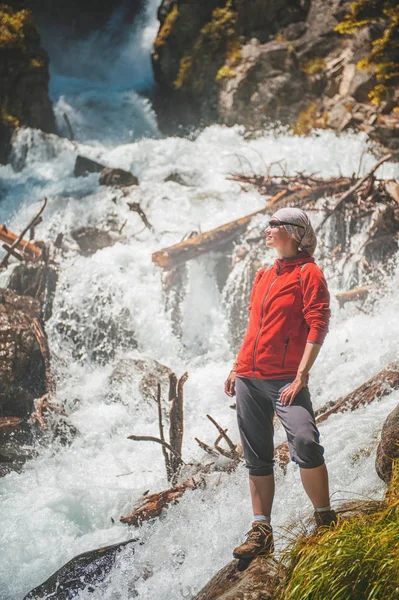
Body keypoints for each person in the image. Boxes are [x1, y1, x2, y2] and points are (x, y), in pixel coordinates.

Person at [224, 207, 337, 561]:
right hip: (248, 377)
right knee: (256, 455)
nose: (268, 229)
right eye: (269, 223)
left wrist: (301, 375)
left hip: (286, 378)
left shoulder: (309, 273)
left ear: (293, 233)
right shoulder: (264, 273)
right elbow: (255, 326)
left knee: (304, 440)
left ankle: (325, 520)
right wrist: (235, 367)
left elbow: (318, 325)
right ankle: (261, 530)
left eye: (275, 225)